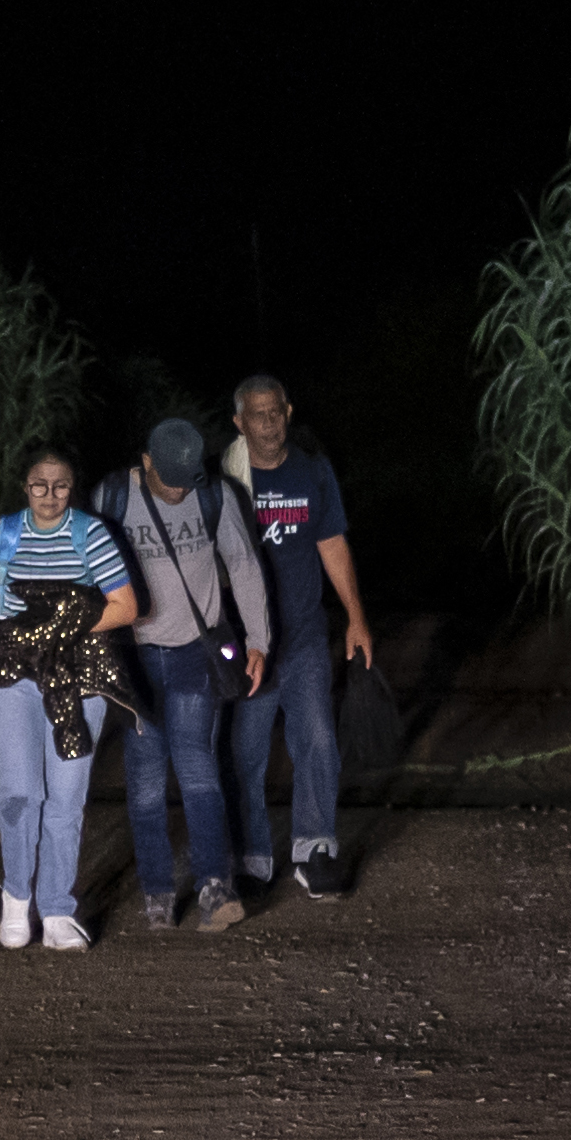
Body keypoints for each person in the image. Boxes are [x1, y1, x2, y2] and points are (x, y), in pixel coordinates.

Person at [98, 416, 273, 933]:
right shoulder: (112, 496)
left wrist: (258, 640)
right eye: (167, 476)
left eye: (186, 477)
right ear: (146, 461)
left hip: (197, 651)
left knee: (197, 768)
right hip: (137, 657)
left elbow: (242, 565)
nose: (178, 489)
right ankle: (157, 891)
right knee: (147, 780)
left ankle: (214, 887)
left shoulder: (211, 494)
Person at [0, 446, 139, 950]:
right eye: (39, 485)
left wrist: (60, 629)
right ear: (25, 486)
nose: (50, 496)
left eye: (60, 486)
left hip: (79, 678)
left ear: (71, 488)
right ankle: (16, 899)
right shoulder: (5, 533)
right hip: (15, 678)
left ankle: (57, 908)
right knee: (19, 791)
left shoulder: (90, 533)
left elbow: (126, 606)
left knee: (66, 797)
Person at [220, 373, 375, 900]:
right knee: (244, 751)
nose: (268, 422)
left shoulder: (313, 471)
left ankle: (316, 849)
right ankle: (253, 859)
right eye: (255, 415)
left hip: (305, 635)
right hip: (249, 646)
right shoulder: (227, 480)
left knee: (317, 741)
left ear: (288, 411)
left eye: (275, 411)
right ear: (239, 423)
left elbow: (332, 545)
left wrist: (356, 617)